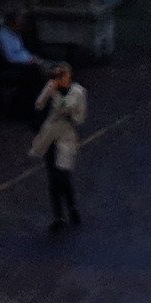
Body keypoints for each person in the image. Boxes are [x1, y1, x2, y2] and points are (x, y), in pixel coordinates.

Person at [31, 59, 88, 229]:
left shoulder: (76, 93)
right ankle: (60, 215)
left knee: (62, 175)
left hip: (65, 137)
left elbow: (79, 117)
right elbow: (38, 109)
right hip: (50, 138)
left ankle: (70, 208)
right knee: (54, 177)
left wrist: (68, 116)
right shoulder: (50, 91)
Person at [0, 10, 44, 118]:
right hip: (10, 66)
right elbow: (10, 56)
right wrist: (29, 60)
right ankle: (30, 109)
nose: (20, 26)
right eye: (18, 23)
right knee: (33, 73)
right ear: (11, 23)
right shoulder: (3, 35)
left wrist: (31, 58)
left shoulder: (16, 33)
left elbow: (21, 50)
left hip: (22, 63)